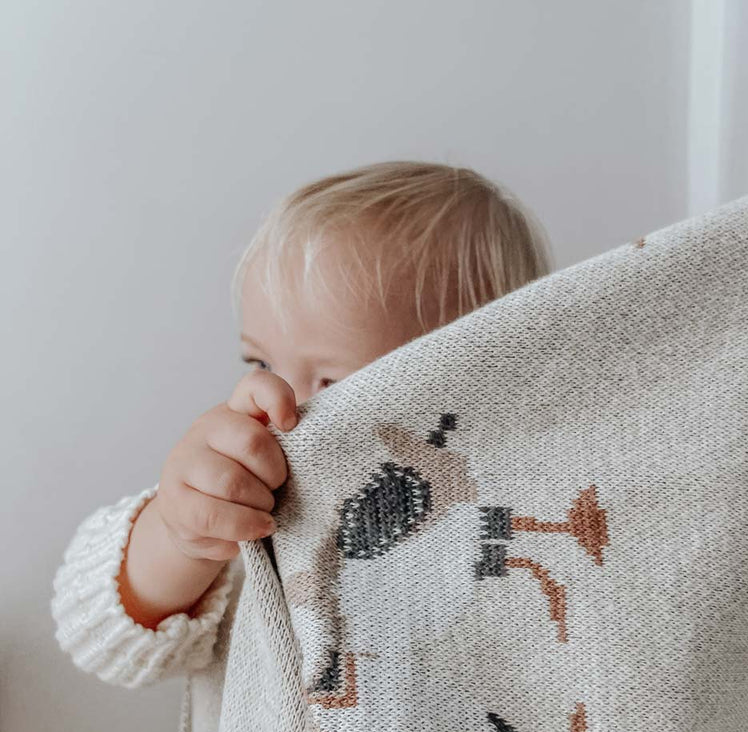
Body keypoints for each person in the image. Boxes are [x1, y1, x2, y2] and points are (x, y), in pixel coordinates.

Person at [51, 159, 553, 685]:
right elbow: (101, 640)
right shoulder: (247, 491)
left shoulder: (521, 504)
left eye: (332, 382)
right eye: (260, 364)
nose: (271, 400)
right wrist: (180, 535)